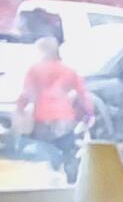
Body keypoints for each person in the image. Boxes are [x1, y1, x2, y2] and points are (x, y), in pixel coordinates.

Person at [15, 35, 95, 183]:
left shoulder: (34, 70)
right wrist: (89, 114)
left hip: (42, 117)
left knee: (46, 149)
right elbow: (83, 94)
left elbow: (26, 94)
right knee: (67, 150)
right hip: (65, 117)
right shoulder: (69, 70)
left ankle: (53, 173)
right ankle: (71, 181)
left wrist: (20, 110)